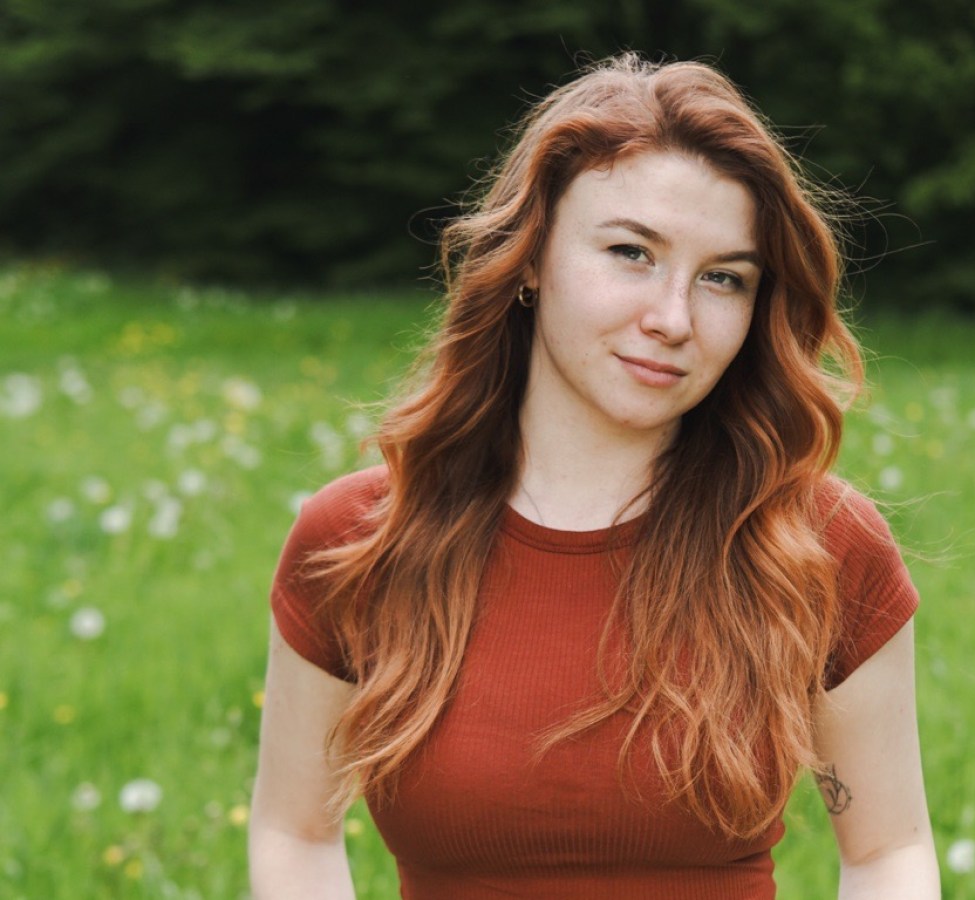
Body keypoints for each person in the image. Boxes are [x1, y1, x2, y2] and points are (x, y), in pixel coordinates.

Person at [248, 53, 939, 899]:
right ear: (531, 257)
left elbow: (886, 855)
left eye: (724, 278)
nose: (673, 319)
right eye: (630, 252)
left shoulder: (820, 546)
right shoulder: (358, 541)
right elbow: (294, 833)